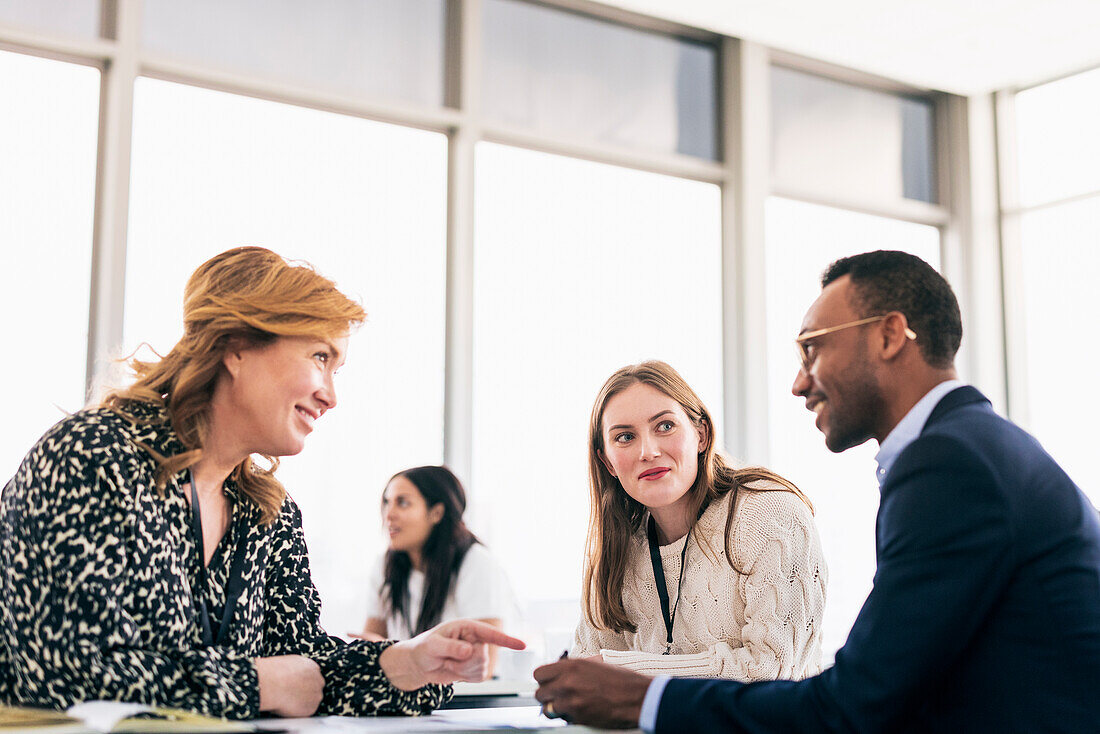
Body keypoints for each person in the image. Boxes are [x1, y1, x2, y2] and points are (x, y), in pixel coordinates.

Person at [533, 250, 1100, 732]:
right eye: (624, 438)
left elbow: (856, 703)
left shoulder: (950, 464)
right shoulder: (968, 448)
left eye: (813, 349)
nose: (799, 381)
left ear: (888, 335)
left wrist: (637, 696)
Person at [0, 247, 523, 719]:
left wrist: (405, 663)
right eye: (321, 357)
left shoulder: (268, 512)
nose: (331, 396)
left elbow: (303, 665)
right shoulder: (92, 457)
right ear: (236, 346)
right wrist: (255, 683)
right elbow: (56, 673)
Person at [570, 361, 826, 681]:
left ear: (701, 435)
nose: (648, 451)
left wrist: (624, 670)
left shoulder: (770, 515)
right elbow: (587, 675)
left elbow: (773, 668)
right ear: (607, 461)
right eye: (624, 437)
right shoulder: (618, 546)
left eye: (664, 426)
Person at [356, 466, 518, 676]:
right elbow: (366, 653)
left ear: (437, 513)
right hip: (405, 697)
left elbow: (481, 668)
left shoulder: (476, 562)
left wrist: (393, 658)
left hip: (463, 703)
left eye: (402, 502)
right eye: (387, 502)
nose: (389, 514)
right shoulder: (384, 565)